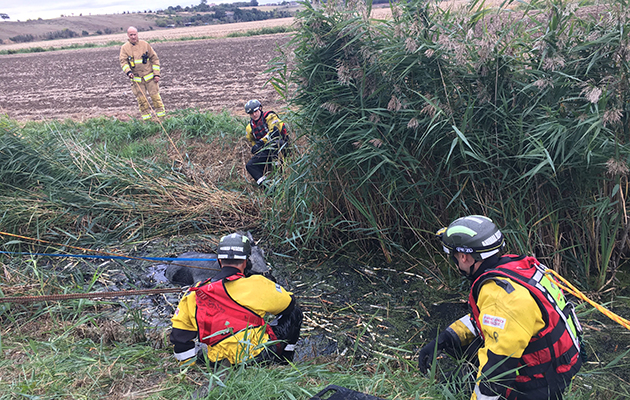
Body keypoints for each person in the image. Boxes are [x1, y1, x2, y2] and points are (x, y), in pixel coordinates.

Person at [418, 215, 583, 400]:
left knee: (460, 386)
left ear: (464, 257)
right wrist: (445, 339)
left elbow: (497, 374)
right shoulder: (514, 268)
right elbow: (486, 320)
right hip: (558, 363)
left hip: (543, 383)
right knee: (456, 372)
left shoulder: (501, 297)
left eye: (454, 257)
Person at [170, 233, 303, 367]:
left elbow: (179, 336)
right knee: (295, 313)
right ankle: (284, 362)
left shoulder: (196, 292)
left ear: (219, 261)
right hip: (258, 357)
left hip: (216, 362)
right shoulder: (259, 284)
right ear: (246, 262)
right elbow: (290, 304)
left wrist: (188, 366)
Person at [119, 26, 166, 121]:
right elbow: (123, 62)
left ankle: (162, 120)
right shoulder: (124, 48)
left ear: (137, 34)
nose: (133, 36)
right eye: (131, 35)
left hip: (150, 78)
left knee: (156, 98)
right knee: (142, 101)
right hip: (137, 80)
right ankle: (147, 121)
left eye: (134, 34)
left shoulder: (145, 45)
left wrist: (157, 74)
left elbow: (155, 59)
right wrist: (128, 72)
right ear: (128, 35)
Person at [244, 99, 289, 187]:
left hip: (281, 145)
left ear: (260, 108)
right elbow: (253, 142)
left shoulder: (270, 116)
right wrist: (255, 148)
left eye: (256, 111)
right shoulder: (249, 127)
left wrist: (261, 142)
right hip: (266, 151)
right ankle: (267, 187)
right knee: (250, 165)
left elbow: (275, 131)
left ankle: (280, 172)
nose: (254, 114)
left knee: (274, 144)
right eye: (251, 113)